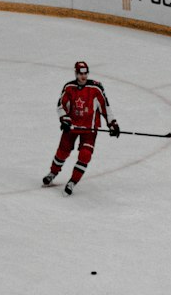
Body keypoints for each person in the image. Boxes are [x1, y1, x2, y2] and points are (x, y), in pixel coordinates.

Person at [42, 59, 118, 195]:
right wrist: (64, 120)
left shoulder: (96, 89)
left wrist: (112, 124)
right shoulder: (69, 88)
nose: (83, 76)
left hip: (89, 130)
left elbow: (105, 107)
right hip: (72, 127)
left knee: (85, 155)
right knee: (62, 152)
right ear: (76, 74)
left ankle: (72, 181)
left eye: (86, 73)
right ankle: (52, 173)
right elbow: (61, 106)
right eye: (80, 73)